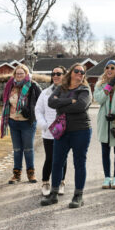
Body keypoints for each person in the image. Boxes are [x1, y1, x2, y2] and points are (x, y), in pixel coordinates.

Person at [42, 63, 92, 208]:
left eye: (82, 72)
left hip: (80, 130)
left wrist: (61, 105)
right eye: (77, 71)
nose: (80, 73)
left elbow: (81, 106)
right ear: (70, 73)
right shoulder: (61, 88)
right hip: (61, 130)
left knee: (79, 162)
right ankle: (54, 194)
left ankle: (78, 196)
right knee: (57, 162)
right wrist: (70, 101)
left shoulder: (85, 89)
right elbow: (51, 102)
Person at [0, 64, 42, 184]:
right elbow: (6, 102)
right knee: (17, 149)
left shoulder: (33, 85)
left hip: (27, 122)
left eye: (21, 73)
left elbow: (41, 101)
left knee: (28, 149)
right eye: (17, 73)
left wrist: (31, 111)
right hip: (13, 122)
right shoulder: (10, 86)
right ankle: (16, 175)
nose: (19, 75)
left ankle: (31, 174)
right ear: (14, 75)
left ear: (26, 74)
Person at [35, 66, 68, 196]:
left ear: (64, 75)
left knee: (62, 158)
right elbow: (38, 110)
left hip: (64, 131)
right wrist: (43, 124)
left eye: (58, 74)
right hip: (49, 132)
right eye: (53, 73)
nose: (55, 76)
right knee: (50, 158)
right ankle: (45, 183)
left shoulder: (68, 92)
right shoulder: (45, 93)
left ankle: (61, 182)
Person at [94, 60, 115, 190]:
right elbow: (99, 100)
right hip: (104, 122)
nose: (109, 70)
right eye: (107, 67)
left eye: (113, 68)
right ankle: (107, 177)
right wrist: (108, 86)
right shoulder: (100, 85)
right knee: (105, 151)